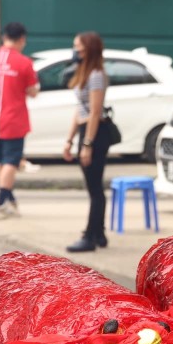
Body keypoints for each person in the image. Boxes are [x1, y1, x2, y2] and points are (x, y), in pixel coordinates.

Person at [62, 32, 111, 253]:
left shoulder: (96, 75)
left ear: (89, 49)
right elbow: (79, 110)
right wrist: (69, 140)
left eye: (79, 48)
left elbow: (94, 112)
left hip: (95, 133)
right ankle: (99, 234)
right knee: (94, 187)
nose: (75, 52)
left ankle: (90, 236)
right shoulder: (85, 73)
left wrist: (87, 144)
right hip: (85, 131)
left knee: (95, 189)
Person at [0, 22, 39, 219]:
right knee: (11, 162)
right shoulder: (24, 63)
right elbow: (33, 91)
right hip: (14, 120)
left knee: (1, 162)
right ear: (22, 39)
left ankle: (10, 201)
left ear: (3, 37)